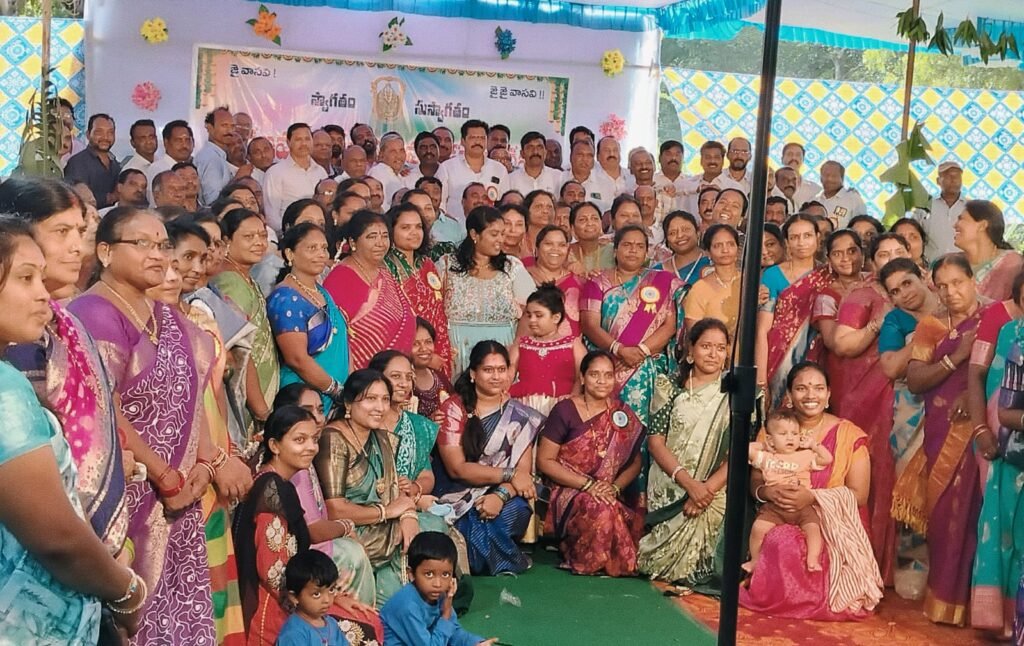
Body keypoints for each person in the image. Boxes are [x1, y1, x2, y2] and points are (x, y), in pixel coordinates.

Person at [68, 207, 217, 642]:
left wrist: (204, 463)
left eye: (163, 245)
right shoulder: (95, 313)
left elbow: (191, 393)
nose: (157, 255)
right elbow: (105, 408)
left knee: (177, 616)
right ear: (105, 252)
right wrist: (164, 475)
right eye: (142, 244)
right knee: (134, 618)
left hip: (180, 493)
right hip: (129, 492)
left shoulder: (163, 314)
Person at [0, 217, 146, 643]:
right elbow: (57, 538)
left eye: (41, 278)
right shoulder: (5, 392)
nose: (42, 294)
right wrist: (127, 592)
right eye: (25, 278)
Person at [0, 177, 129, 556]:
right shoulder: (18, 342)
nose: (77, 246)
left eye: (80, 231)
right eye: (61, 232)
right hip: (50, 539)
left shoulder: (65, 323)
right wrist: (116, 578)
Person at [741, 362, 881, 619]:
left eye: (818, 388)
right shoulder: (774, 430)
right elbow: (756, 480)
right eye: (801, 388)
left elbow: (859, 495)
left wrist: (813, 497)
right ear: (789, 395)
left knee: (802, 545)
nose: (810, 395)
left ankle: (813, 595)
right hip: (779, 512)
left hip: (832, 519)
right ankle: (775, 593)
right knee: (779, 539)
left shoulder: (849, 434)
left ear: (828, 395)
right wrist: (766, 493)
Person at [233, 405, 382, 645]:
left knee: (367, 618)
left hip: (300, 598)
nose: (311, 447)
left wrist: (326, 596)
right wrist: (323, 600)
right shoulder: (271, 491)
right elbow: (274, 574)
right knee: (365, 629)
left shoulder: (280, 484)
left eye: (314, 439)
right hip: (275, 610)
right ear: (274, 446)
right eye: (299, 440)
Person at [900, 254, 984, 625]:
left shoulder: (995, 318)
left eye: (958, 282)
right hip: (943, 430)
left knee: (981, 515)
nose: (951, 292)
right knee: (946, 514)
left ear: (973, 281)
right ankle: (946, 602)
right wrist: (956, 358)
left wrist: (973, 392)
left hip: (985, 430)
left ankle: (982, 605)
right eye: (943, 286)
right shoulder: (931, 327)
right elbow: (915, 380)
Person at [434, 341, 543, 575]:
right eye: (488, 370)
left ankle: (478, 558)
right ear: (473, 374)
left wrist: (500, 496)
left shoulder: (522, 415)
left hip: (501, 491)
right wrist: (510, 474)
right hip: (456, 492)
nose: (496, 377)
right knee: (466, 527)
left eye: (501, 369)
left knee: (516, 512)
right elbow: (457, 469)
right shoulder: (454, 409)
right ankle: (498, 559)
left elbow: (524, 474)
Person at [639, 319, 731, 590]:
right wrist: (690, 485)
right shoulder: (669, 386)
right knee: (653, 565)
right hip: (672, 483)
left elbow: (740, 451)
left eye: (720, 348)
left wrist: (705, 491)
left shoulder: (735, 393)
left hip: (715, 487)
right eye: (706, 346)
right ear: (690, 349)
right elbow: (656, 443)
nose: (713, 354)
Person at [537, 350, 645, 576]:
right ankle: (587, 559)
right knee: (601, 507)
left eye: (608, 375)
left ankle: (609, 560)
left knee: (612, 506)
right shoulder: (565, 410)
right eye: (595, 374)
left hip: (607, 490)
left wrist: (614, 488)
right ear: (583, 378)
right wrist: (588, 485)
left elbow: (636, 463)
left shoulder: (621, 412)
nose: (602, 381)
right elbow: (545, 461)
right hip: (569, 487)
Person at [315, 370, 416, 605]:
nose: (380, 407)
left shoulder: (381, 438)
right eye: (370, 399)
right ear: (349, 403)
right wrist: (387, 512)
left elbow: (394, 491)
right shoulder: (333, 439)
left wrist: (408, 515)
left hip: (384, 527)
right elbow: (334, 509)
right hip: (352, 530)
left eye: (385, 399)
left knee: (432, 526)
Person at [580, 225, 681, 425]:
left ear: (646, 252)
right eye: (627, 245)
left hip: (647, 369)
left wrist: (641, 351)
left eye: (639, 246)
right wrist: (619, 349)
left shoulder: (661, 281)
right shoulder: (597, 282)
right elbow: (589, 325)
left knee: (643, 430)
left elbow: (670, 326)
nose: (633, 250)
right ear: (615, 250)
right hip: (609, 368)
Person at [972, 273, 1024, 638]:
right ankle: (1005, 619)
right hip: (1014, 451)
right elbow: (1004, 409)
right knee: (1009, 531)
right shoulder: (1012, 338)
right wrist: (981, 428)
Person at [438, 206, 534, 374]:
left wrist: (515, 349)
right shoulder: (447, 265)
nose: (501, 240)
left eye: (502, 234)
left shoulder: (512, 267)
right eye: (494, 234)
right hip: (457, 355)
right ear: (474, 234)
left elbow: (532, 310)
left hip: (501, 354)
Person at [268, 222, 350, 414]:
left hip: (337, 396)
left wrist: (348, 387)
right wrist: (335, 390)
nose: (321, 254)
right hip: (304, 398)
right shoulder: (285, 298)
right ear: (290, 254)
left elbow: (341, 341)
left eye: (324, 248)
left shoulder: (321, 291)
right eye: (312, 248)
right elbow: (297, 359)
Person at [211, 208, 278, 435]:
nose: (259, 242)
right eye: (249, 237)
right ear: (227, 242)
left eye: (262, 235)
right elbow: (240, 348)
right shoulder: (230, 282)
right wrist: (261, 410)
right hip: (247, 398)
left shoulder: (244, 276)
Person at [325, 210, 416, 371]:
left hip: (395, 372)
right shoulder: (340, 278)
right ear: (353, 242)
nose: (380, 243)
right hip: (355, 373)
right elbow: (335, 335)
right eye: (372, 237)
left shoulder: (386, 275)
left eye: (385, 236)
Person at [747, 409, 834, 573]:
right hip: (775, 507)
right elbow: (745, 449)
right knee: (758, 529)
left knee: (814, 529)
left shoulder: (806, 455)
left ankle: (813, 559)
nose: (790, 438)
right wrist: (765, 445)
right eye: (783, 434)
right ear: (771, 439)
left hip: (803, 508)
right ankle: (755, 560)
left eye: (794, 433)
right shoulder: (767, 458)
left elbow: (827, 458)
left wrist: (813, 445)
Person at [756, 213, 828, 410]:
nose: (801, 242)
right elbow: (762, 330)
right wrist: (761, 381)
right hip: (778, 357)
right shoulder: (772, 275)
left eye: (807, 236)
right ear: (786, 242)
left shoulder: (828, 275)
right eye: (795, 237)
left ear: (817, 238)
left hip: (818, 355)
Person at [381, 532, 496, 646]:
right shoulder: (407, 607)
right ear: (411, 574)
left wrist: (475, 642)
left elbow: (453, 631)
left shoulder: (440, 595)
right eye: (429, 574)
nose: (438, 584)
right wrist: (446, 614)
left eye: (445, 574)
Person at [383, 202, 453, 376]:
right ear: (390, 231)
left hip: (436, 344)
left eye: (418, 227)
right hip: (407, 351)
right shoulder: (385, 267)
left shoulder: (426, 263)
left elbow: (438, 309)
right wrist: (425, 355)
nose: (414, 232)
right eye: (405, 227)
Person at [509, 284, 587, 415]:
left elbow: (581, 376)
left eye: (538, 315)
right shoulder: (521, 343)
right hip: (524, 408)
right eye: (529, 315)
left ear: (556, 317)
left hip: (561, 408)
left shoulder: (573, 344)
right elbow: (510, 372)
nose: (532, 320)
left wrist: (573, 400)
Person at [263, 123, 329, 232]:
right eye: (298, 139)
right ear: (288, 142)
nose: (304, 143)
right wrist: (289, 234)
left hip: (319, 233)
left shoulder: (321, 172)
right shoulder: (275, 172)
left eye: (307, 139)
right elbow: (272, 216)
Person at [277, 550, 351, 646]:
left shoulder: (331, 624)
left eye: (331, 590)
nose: (327, 600)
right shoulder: (293, 634)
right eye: (316, 594)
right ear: (294, 597)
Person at [954, 200, 1024, 301]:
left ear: (982, 225)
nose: (954, 225)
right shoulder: (950, 262)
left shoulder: (1012, 264)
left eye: (961, 219)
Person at [683, 224, 741, 341]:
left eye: (730, 244)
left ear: (738, 249)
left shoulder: (749, 282)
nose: (725, 250)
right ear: (708, 252)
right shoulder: (699, 289)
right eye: (717, 246)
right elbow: (695, 336)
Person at [525, 225, 582, 338]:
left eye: (561, 245)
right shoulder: (523, 276)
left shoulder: (579, 282)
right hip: (528, 345)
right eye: (548, 244)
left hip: (570, 347)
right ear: (537, 248)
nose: (555, 249)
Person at [652, 210, 710, 298]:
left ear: (698, 232)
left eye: (685, 229)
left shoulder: (712, 263)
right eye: (672, 233)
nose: (680, 235)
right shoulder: (657, 272)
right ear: (667, 240)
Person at [412, 317, 454, 420]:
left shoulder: (441, 378)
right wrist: (429, 423)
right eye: (415, 343)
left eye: (428, 342)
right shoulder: (401, 384)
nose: (424, 348)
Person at [566, 201, 607, 276]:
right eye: (582, 220)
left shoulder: (614, 251)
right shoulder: (565, 253)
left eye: (594, 218)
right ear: (572, 228)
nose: (590, 223)